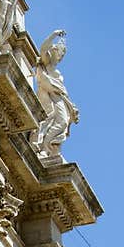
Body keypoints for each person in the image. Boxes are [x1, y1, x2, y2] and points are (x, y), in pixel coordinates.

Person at [33, 29, 80, 157]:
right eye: (59, 50)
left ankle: (46, 146)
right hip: (50, 95)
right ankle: (44, 146)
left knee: (63, 122)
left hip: (59, 97)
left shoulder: (54, 67)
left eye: (62, 53)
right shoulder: (47, 61)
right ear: (53, 50)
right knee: (56, 119)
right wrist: (54, 34)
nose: (60, 54)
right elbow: (42, 48)